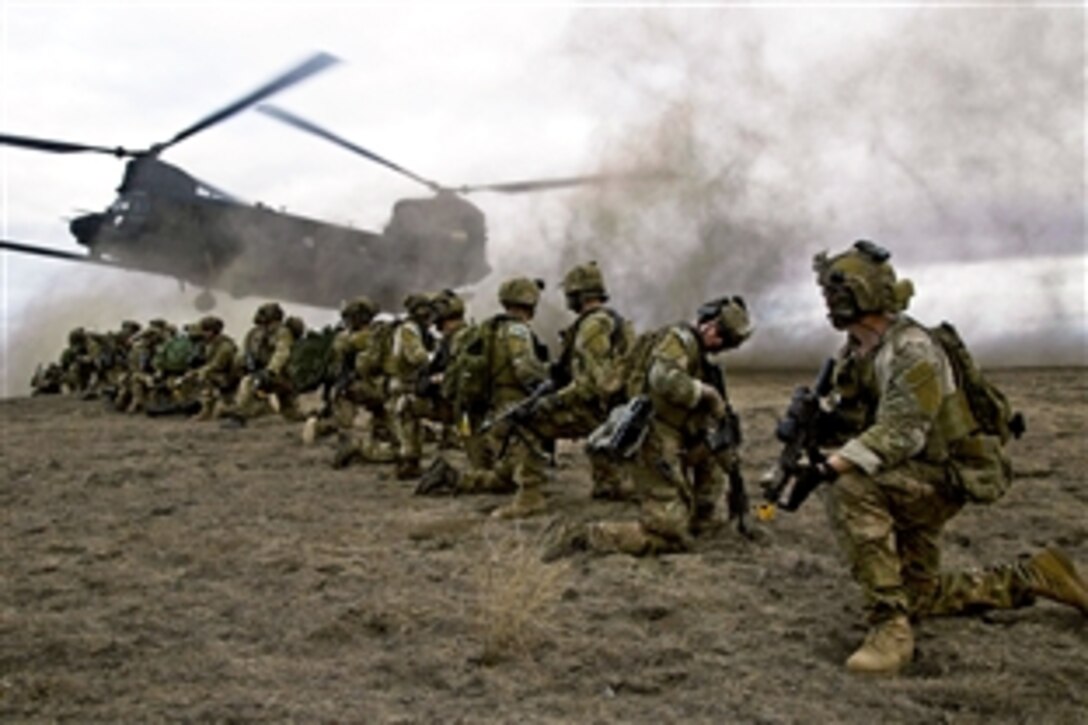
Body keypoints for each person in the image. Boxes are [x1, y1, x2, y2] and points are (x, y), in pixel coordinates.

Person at [806, 239, 1088, 674]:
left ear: (861, 293)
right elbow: (861, 421)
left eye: (836, 292)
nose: (830, 302)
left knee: (848, 485)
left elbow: (903, 432)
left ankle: (889, 629)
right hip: (916, 472)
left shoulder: (913, 350)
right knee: (920, 594)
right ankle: (1034, 576)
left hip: (943, 476)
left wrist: (829, 466)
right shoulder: (858, 353)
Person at [560, 295, 752, 557]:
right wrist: (708, 394)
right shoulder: (679, 339)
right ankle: (588, 537)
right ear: (708, 324)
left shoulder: (702, 357)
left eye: (729, 342)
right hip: (652, 437)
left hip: (677, 436)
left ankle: (701, 519)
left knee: (712, 459)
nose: (721, 344)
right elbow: (663, 379)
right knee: (669, 534)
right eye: (721, 335)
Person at [532, 261, 636, 500]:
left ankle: (529, 495)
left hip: (602, 410)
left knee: (528, 420)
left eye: (569, 294)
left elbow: (594, 385)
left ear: (578, 295)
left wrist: (554, 400)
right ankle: (609, 480)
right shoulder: (617, 320)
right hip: (619, 408)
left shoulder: (592, 327)